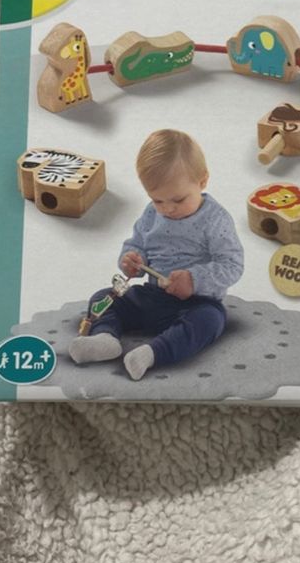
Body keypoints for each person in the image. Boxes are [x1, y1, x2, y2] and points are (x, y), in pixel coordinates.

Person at [69, 129, 244, 380]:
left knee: (211, 320)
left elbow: (232, 264)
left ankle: (152, 353)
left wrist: (194, 279)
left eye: (178, 199)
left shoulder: (216, 220)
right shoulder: (152, 214)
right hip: (152, 297)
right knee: (103, 297)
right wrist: (131, 259)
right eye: (158, 200)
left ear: (202, 181)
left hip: (196, 303)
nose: (168, 209)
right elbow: (137, 244)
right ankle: (105, 338)